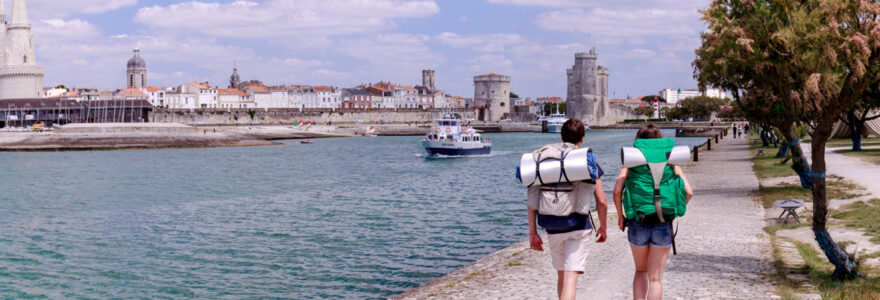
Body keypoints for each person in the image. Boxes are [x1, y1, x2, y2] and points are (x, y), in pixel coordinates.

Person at [527, 118, 608, 300]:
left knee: (562, 275)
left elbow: (532, 200)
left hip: (552, 225)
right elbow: (601, 200)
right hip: (578, 225)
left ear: (562, 136)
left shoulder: (545, 160)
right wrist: (603, 227)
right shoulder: (587, 161)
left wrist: (533, 232)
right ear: (583, 138)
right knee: (571, 278)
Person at [613, 124, 693, 300]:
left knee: (640, 271)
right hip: (663, 222)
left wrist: (621, 217)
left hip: (637, 222)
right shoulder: (670, 160)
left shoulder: (632, 160)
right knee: (656, 279)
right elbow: (688, 192)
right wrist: (676, 210)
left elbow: (617, 190)